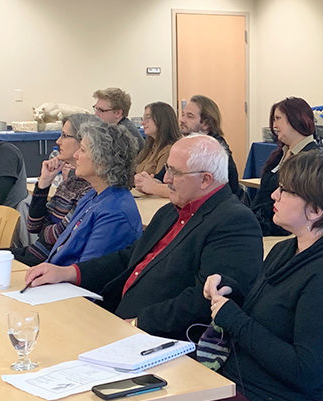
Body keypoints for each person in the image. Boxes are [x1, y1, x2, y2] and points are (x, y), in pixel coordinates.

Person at [96, 151, 323, 401]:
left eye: (286, 191)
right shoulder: (285, 250)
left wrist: (233, 318)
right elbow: (263, 309)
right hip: (245, 384)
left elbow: (306, 372)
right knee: (135, 400)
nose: (274, 195)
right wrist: (229, 289)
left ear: (315, 210)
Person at [23, 134, 263, 340]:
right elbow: (129, 258)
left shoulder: (234, 222)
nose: (165, 179)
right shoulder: (171, 211)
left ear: (205, 180)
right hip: (116, 317)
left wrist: (138, 324)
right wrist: (69, 272)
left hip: (156, 337)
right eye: (167, 168)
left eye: (174, 172)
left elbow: (202, 300)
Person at [44, 121, 142, 265]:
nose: (76, 155)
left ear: (102, 161)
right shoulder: (93, 196)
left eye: (82, 150)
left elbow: (86, 271)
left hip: (73, 285)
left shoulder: (115, 214)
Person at [13, 114, 98, 266]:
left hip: (51, 263)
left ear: (84, 141)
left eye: (64, 136)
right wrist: (44, 182)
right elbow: (33, 226)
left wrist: (45, 230)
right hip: (38, 253)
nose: (58, 141)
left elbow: (59, 235)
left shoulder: (92, 188)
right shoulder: (70, 183)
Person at [250, 97, 318, 236]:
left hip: (280, 230)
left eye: (278, 119)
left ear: (295, 119)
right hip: (262, 223)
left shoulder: (311, 160)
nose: (274, 126)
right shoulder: (281, 154)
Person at [177, 94, 245, 198]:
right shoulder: (187, 144)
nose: (182, 120)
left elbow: (189, 191)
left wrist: (154, 187)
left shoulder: (212, 149)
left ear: (206, 123)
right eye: (183, 114)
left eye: (190, 116)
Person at [132, 102, 182, 196]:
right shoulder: (150, 147)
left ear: (162, 120)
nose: (143, 123)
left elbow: (161, 181)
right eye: (143, 118)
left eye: (148, 118)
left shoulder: (169, 150)